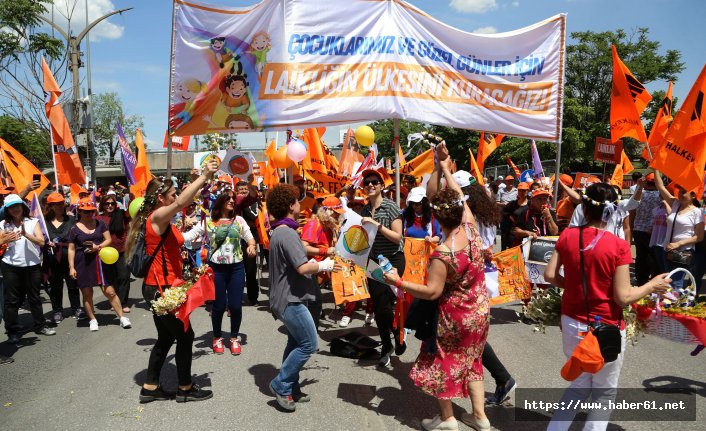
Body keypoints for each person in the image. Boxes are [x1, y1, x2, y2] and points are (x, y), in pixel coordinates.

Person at [544, 182, 671, 431]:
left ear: (585, 207)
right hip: (607, 327)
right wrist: (652, 285)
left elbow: (549, 275)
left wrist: (572, 287)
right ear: (613, 211)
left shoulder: (568, 235)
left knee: (578, 385)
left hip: (572, 322)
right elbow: (623, 297)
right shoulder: (618, 246)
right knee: (604, 392)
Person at [384, 152, 491, 431]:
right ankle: (480, 417)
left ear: (438, 217)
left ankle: (448, 420)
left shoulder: (443, 254)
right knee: (472, 360)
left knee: (444, 362)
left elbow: (432, 292)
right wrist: (444, 168)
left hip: (454, 318)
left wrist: (398, 282)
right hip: (479, 312)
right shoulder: (471, 227)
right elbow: (459, 196)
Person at [127, 160, 218, 404]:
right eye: (171, 194)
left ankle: (150, 387)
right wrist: (203, 176)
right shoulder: (157, 216)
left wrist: (205, 181)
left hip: (163, 286)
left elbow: (184, 201)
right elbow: (181, 203)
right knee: (186, 336)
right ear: (160, 199)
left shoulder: (160, 219)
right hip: (160, 288)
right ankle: (185, 388)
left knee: (167, 338)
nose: (176, 197)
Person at [265, 184, 337, 412]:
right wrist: (326, 264)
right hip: (290, 299)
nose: (300, 204)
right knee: (309, 344)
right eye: (297, 200)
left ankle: (291, 386)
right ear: (290, 205)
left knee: (295, 342)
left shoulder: (282, 230)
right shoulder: (286, 232)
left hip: (288, 296)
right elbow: (302, 267)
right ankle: (281, 384)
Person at [183, 189, 257, 356]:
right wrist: (169, 234)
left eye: (233, 199)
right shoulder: (208, 221)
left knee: (236, 306)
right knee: (218, 306)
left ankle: (234, 337)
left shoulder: (239, 220)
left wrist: (251, 246)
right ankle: (217, 337)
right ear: (221, 201)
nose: (232, 201)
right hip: (216, 270)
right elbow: (188, 236)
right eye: (228, 199)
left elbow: (249, 237)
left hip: (237, 268)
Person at [360, 168, 406, 368]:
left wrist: (377, 225)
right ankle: (388, 344)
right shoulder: (363, 209)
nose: (370, 185)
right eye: (366, 183)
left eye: (374, 182)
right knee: (379, 306)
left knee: (386, 303)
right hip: (373, 262)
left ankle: (396, 333)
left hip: (393, 260)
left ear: (381, 186)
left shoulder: (391, 207)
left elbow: (398, 237)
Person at [68, 198, 130, 332]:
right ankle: (93, 319)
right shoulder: (73, 229)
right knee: (87, 293)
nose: (89, 214)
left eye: (91, 211)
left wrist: (98, 246)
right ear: (79, 211)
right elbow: (71, 249)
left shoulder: (100, 224)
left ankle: (122, 318)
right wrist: (71, 267)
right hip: (82, 263)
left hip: (99, 261)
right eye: (85, 212)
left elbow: (108, 240)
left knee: (110, 291)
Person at [1, 194, 55, 343]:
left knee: (35, 297)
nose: (15, 209)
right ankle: (12, 331)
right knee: (12, 300)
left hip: (32, 266)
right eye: (11, 207)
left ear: (22, 206)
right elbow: (0, 241)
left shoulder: (33, 222)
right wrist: (5, 238)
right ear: (7, 210)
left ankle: (40, 325)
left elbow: (42, 242)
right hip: (10, 266)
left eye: (17, 206)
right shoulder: (3, 224)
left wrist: (26, 234)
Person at [299, 196, 345, 327]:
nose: (338, 217)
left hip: (318, 268)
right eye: (337, 213)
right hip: (308, 268)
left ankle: (310, 328)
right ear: (330, 212)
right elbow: (303, 248)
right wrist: (325, 252)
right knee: (315, 301)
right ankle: (310, 333)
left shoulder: (328, 226)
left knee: (313, 300)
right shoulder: (315, 224)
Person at [653, 170, 704, 285]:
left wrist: (678, 244)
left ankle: (676, 303)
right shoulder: (675, 204)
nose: (680, 194)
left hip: (683, 252)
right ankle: (670, 302)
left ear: (693, 196)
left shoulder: (697, 212)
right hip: (666, 250)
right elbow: (660, 186)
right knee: (667, 282)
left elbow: (699, 237)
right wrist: (655, 169)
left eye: (684, 192)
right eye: (679, 192)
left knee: (676, 283)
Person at [45, 192, 82, 323]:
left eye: (62, 204)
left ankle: (76, 308)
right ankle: (57, 310)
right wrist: (46, 242)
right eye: (57, 204)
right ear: (50, 206)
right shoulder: (44, 222)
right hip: (53, 259)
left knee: (73, 283)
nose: (61, 206)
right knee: (55, 286)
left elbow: (78, 236)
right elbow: (41, 238)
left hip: (70, 257)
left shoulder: (71, 220)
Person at [97, 194, 132, 313]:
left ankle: (123, 303)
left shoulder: (121, 215)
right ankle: (115, 301)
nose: (110, 206)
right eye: (107, 204)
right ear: (103, 205)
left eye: (112, 203)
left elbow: (133, 213)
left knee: (124, 276)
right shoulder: (98, 218)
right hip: (106, 253)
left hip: (122, 250)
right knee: (111, 279)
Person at [631, 173, 662, 285]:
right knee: (653, 258)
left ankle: (641, 282)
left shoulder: (639, 193)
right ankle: (653, 283)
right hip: (653, 231)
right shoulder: (660, 195)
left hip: (638, 230)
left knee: (641, 257)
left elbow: (632, 210)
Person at [237, 181, 261, 306]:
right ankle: (236, 298)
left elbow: (253, 216)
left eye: (245, 189)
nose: (243, 191)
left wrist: (245, 203)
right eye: (240, 189)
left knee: (250, 270)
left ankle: (253, 297)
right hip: (236, 240)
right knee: (237, 271)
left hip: (250, 239)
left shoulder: (251, 203)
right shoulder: (234, 203)